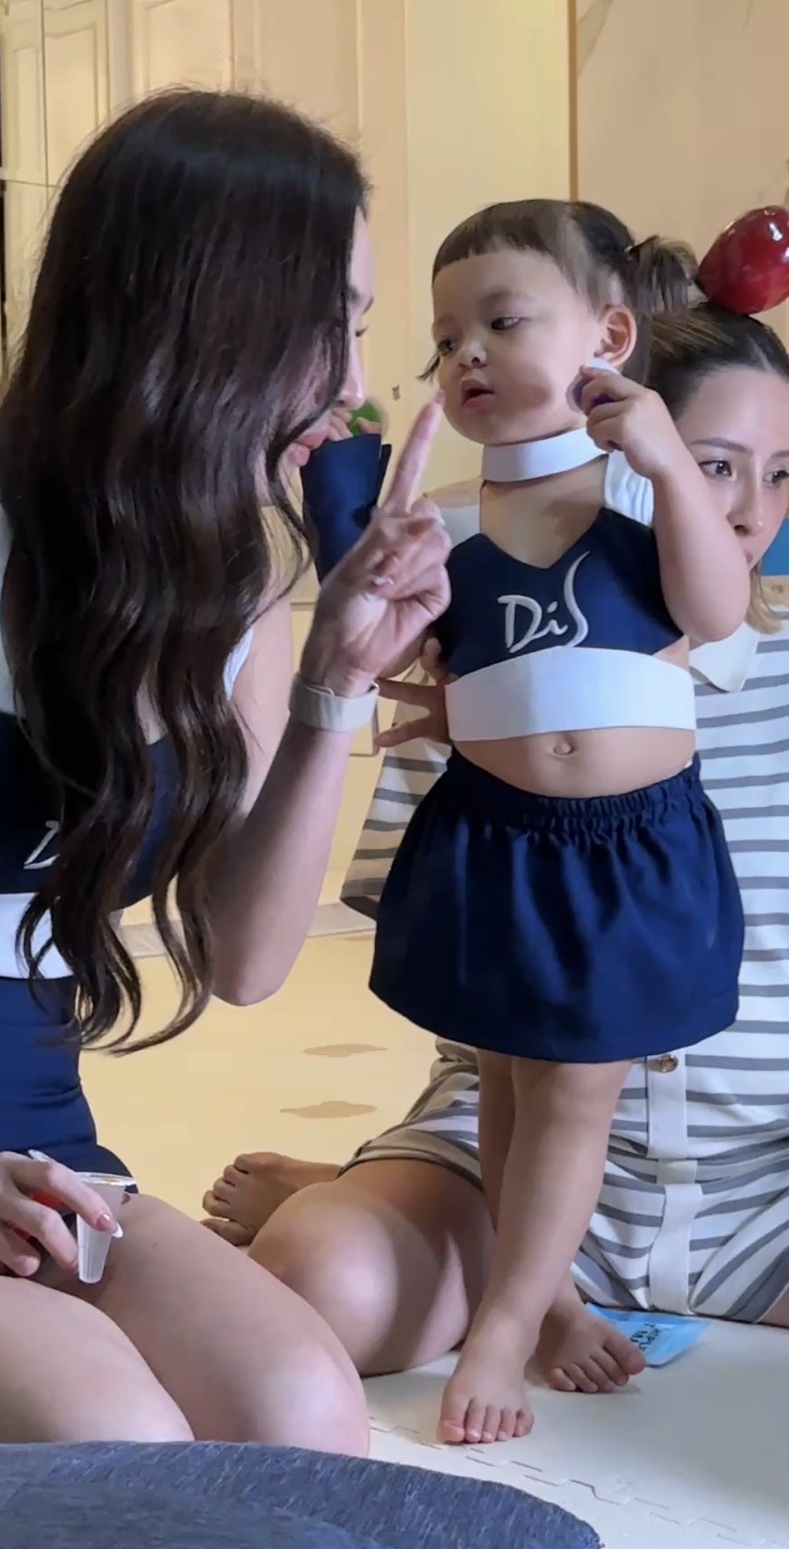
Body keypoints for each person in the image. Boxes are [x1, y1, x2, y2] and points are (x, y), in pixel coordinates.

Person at [0, 87, 452, 1461]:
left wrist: (336, 680)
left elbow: (247, 959)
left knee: (302, 1415)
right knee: (103, 1432)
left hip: (26, 1133)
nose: (351, 383)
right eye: (330, 324)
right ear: (207, 314)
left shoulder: (241, 588)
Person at [205, 284, 789, 1438]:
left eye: (781, 475)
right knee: (316, 1283)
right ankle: (396, 1215)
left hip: (756, 1187)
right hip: (502, 1159)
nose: (748, 513)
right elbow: (464, 986)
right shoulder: (480, 676)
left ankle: (345, 1186)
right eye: (713, 466)